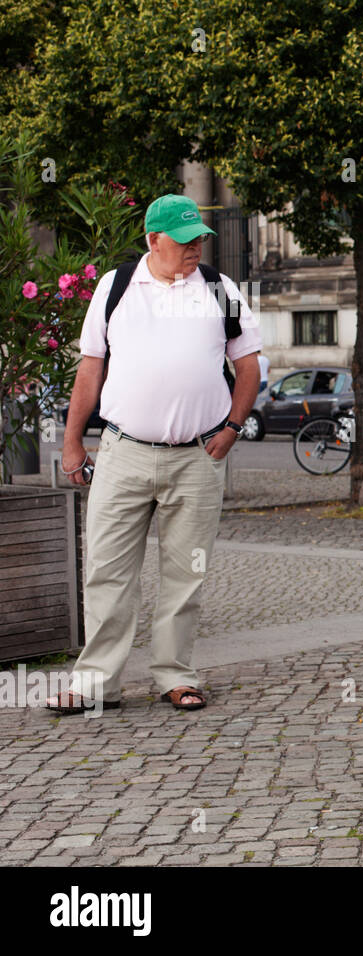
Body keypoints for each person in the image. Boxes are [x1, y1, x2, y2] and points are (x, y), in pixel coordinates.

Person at [48, 194, 263, 714]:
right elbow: (90, 369)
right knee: (106, 569)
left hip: (197, 456)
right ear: (153, 240)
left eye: (199, 239)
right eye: (184, 239)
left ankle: (175, 674)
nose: (195, 247)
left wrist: (233, 427)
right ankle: (96, 684)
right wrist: (73, 441)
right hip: (123, 452)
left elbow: (250, 366)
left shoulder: (220, 288)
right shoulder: (116, 286)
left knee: (185, 574)